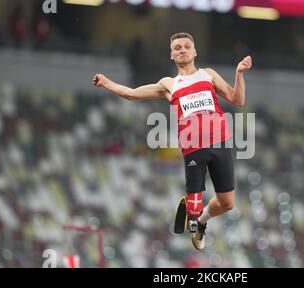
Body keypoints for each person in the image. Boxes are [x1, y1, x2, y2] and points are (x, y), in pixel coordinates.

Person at [92, 32, 252, 250]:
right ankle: (194, 218)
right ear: (171, 55)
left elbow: (238, 99)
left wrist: (239, 73)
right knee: (193, 211)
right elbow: (132, 93)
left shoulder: (208, 75)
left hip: (221, 142)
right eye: (177, 47)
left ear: (195, 51)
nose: (183, 50)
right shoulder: (169, 83)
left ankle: (201, 223)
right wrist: (106, 82)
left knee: (227, 204)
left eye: (187, 46)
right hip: (193, 146)